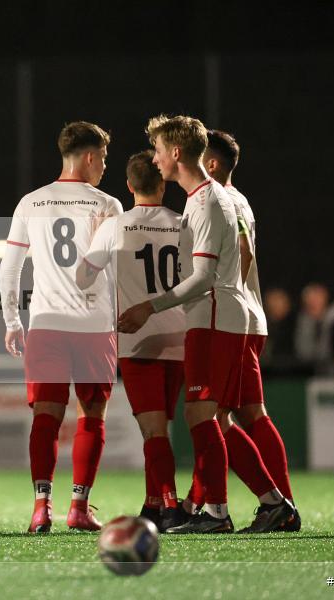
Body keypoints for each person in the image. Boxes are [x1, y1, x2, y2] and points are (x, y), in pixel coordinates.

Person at [119, 115, 293, 534]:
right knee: (220, 416)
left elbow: (203, 278)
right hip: (221, 315)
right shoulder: (213, 197)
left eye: (159, 150)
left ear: (176, 153)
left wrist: (150, 307)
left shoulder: (207, 201)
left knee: (204, 413)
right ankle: (270, 503)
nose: (155, 158)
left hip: (216, 316)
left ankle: (219, 511)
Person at [0, 121, 121, 532]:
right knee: (93, 414)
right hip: (93, 325)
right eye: (103, 158)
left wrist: (13, 320)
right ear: (89, 157)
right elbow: (112, 270)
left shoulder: (31, 202)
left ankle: (40, 507)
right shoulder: (108, 205)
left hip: (47, 325)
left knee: (46, 416)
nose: (104, 166)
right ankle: (78, 507)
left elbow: (10, 266)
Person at [75, 150, 187, 532]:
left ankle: (171, 506)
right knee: (162, 428)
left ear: (128, 186)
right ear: (163, 184)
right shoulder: (182, 223)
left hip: (138, 339)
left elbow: (83, 277)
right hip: (179, 336)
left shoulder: (116, 226)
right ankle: (154, 503)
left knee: (153, 431)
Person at [203, 130, 299, 531]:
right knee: (245, 413)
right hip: (247, 317)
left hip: (235, 320)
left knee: (216, 415)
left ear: (211, 164)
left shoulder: (221, 199)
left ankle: (274, 503)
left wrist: (228, 297)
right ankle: (280, 503)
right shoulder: (235, 198)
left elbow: (241, 253)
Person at [294, 283, 333, 370]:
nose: (315, 302)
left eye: (318, 298)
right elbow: (301, 348)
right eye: (311, 299)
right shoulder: (299, 320)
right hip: (304, 367)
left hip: (332, 368)